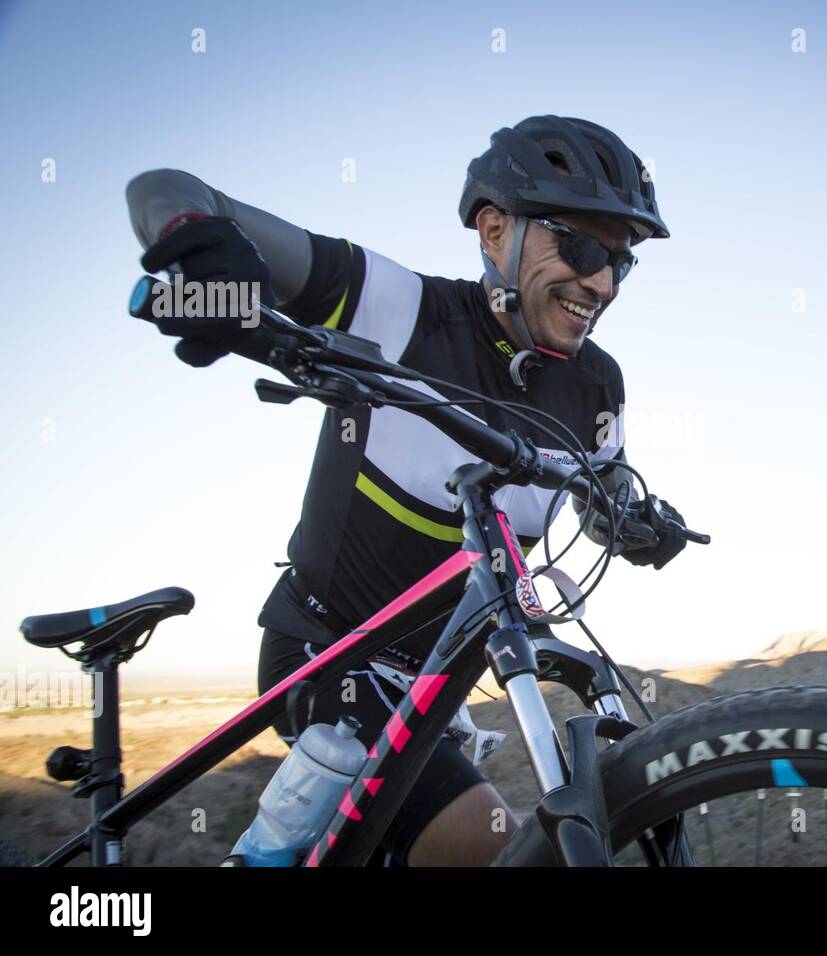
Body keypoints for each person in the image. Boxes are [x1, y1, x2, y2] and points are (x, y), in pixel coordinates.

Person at [125, 115, 691, 866]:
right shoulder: (400, 311)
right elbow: (164, 190)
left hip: (437, 692)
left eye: (622, 263)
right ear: (494, 233)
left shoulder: (597, 384)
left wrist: (639, 521)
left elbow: (603, 487)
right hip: (325, 655)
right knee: (488, 849)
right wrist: (212, 256)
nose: (603, 282)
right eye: (582, 246)